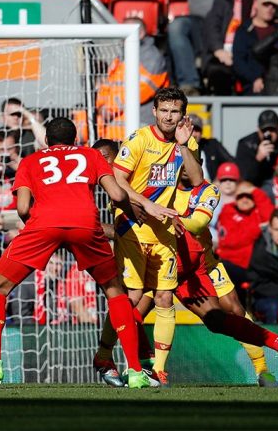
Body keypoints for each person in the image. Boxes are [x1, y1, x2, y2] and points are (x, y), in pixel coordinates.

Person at [0, 117, 150, 389]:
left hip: (43, 225)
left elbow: (23, 209)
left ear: (45, 141)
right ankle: (135, 371)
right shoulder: (89, 154)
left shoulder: (30, 161)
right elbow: (117, 194)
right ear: (75, 139)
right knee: (115, 292)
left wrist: (44, 228)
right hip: (86, 223)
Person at [96, 170, 278, 387]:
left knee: (233, 312)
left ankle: (263, 370)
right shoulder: (147, 186)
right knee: (132, 312)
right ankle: (152, 368)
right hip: (157, 260)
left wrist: (169, 217)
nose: (183, 166)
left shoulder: (207, 190)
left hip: (199, 263)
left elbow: (198, 223)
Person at [111, 87, 202, 385]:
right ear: (154, 111)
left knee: (164, 297)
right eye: (163, 110)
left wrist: (185, 146)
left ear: (182, 115)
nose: (168, 116)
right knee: (133, 297)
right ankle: (109, 355)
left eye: (174, 111)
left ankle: (159, 369)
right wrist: (146, 203)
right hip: (132, 227)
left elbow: (197, 180)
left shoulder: (185, 143)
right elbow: (117, 179)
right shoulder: (139, 139)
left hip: (164, 231)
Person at [232, 0, 278, 95]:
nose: (270, 8)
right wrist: (254, 78)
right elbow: (239, 61)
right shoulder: (245, 30)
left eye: (274, 5)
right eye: (266, 4)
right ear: (256, 5)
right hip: (254, 88)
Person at [249, 209, 278, 323]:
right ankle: (275, 338)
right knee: (274, 307)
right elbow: (257, 283)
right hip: (266, 298)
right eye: (277, 229)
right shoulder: (259, 251)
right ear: (270, 229)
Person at [235, 109, 278, 186]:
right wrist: (258, 159)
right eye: (264, 130)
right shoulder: (246, 144)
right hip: (254, 187)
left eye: (272, 129)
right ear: (258, 129)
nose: (268, 134)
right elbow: (243, 177)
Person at [189, 114, 234, 182]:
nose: (194, 134)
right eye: (191, 130)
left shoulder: (212, 144)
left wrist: (219, 178)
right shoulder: (178, 148)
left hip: (211, 187)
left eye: (197, 130)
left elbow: (231, 162)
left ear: (201, 132)